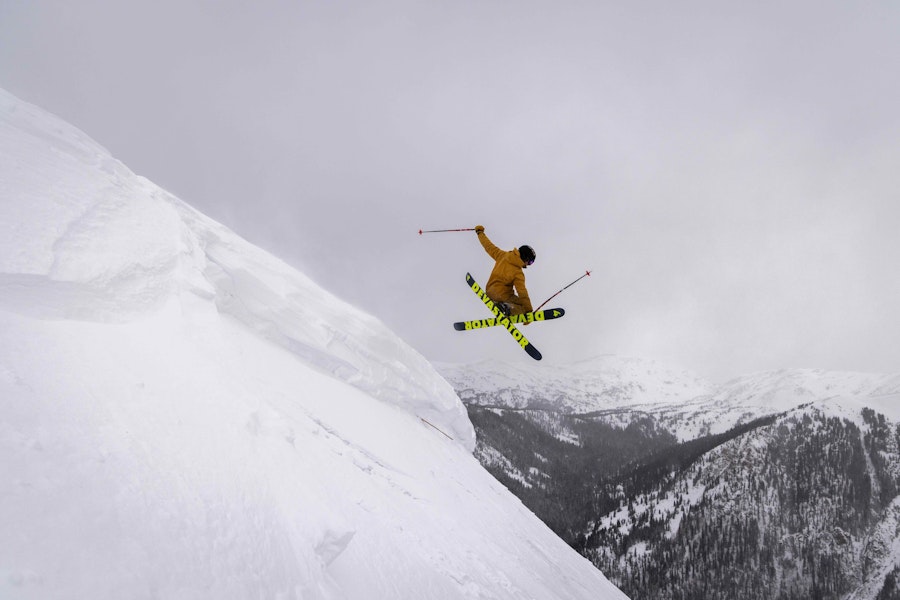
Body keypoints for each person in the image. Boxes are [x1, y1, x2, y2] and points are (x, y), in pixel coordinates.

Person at [474, 225, 536, 317]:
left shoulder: (502, 255)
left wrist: (480, 233)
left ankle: (503, 307)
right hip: (503, 296)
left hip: (490, 291)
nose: (528, 265)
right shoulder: (518, 273)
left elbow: (488, 246)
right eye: (530, 262)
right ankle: (507, 308)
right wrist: (529, 312)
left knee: (519, 302)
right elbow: (522, 292)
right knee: (523, 307)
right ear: (525, 258)